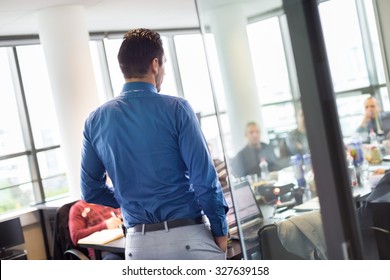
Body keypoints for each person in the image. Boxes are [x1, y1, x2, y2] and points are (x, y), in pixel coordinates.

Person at [80, 28, 228, 260]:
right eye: (165, 64)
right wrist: (221, 231)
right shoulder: (177, 109)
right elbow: (205, 182)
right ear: (155, 64)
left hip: (138, 247)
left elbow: (91, 190)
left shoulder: (95, 120)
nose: (164, 72)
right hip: (188, 239)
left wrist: (128, 198)